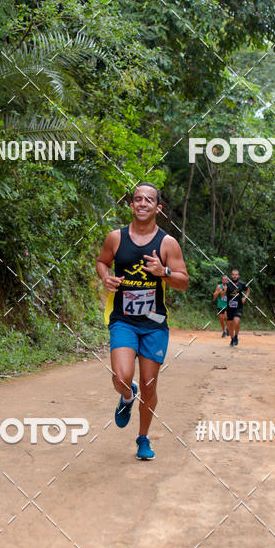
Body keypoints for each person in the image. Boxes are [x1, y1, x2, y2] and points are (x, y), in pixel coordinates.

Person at [96, 182, 189, 460]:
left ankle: (143, 437)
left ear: (158, 208)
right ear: (131, 205)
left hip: (154, 322)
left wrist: (164, 271)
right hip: (123, 319)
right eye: (138, 199)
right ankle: (127, 396)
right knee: (122, 377)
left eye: (149, 200)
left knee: (149, 384)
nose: (143, 203)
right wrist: (105, 277)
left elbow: (183, 282)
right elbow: (102, 261)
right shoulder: (116, 237)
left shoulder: (167, 243)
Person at [225, 268, 249, 347]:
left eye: (236, 275)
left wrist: (245, 298)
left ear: (238, 275)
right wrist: (223, 290)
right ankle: (232, 339)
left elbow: (248, 290)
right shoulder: (228, 284)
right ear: (231, 275)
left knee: (236, 321)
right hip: (229, 308)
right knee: (230, 325)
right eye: (233, 275)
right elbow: (222, 295)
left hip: (238, 307)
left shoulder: (242, 284)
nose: (234, 276)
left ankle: (236, 336)